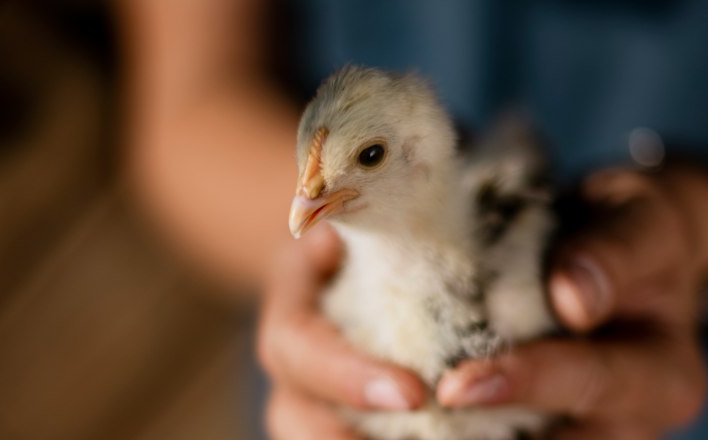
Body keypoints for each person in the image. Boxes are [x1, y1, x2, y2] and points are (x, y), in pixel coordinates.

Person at [121, 1, 708, 438]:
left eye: (368, 158)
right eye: (311, 179)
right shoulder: (346, 311)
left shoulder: (525, 266)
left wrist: (692, 219)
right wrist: (304, 267)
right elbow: (191, 108)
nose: (306, 200)